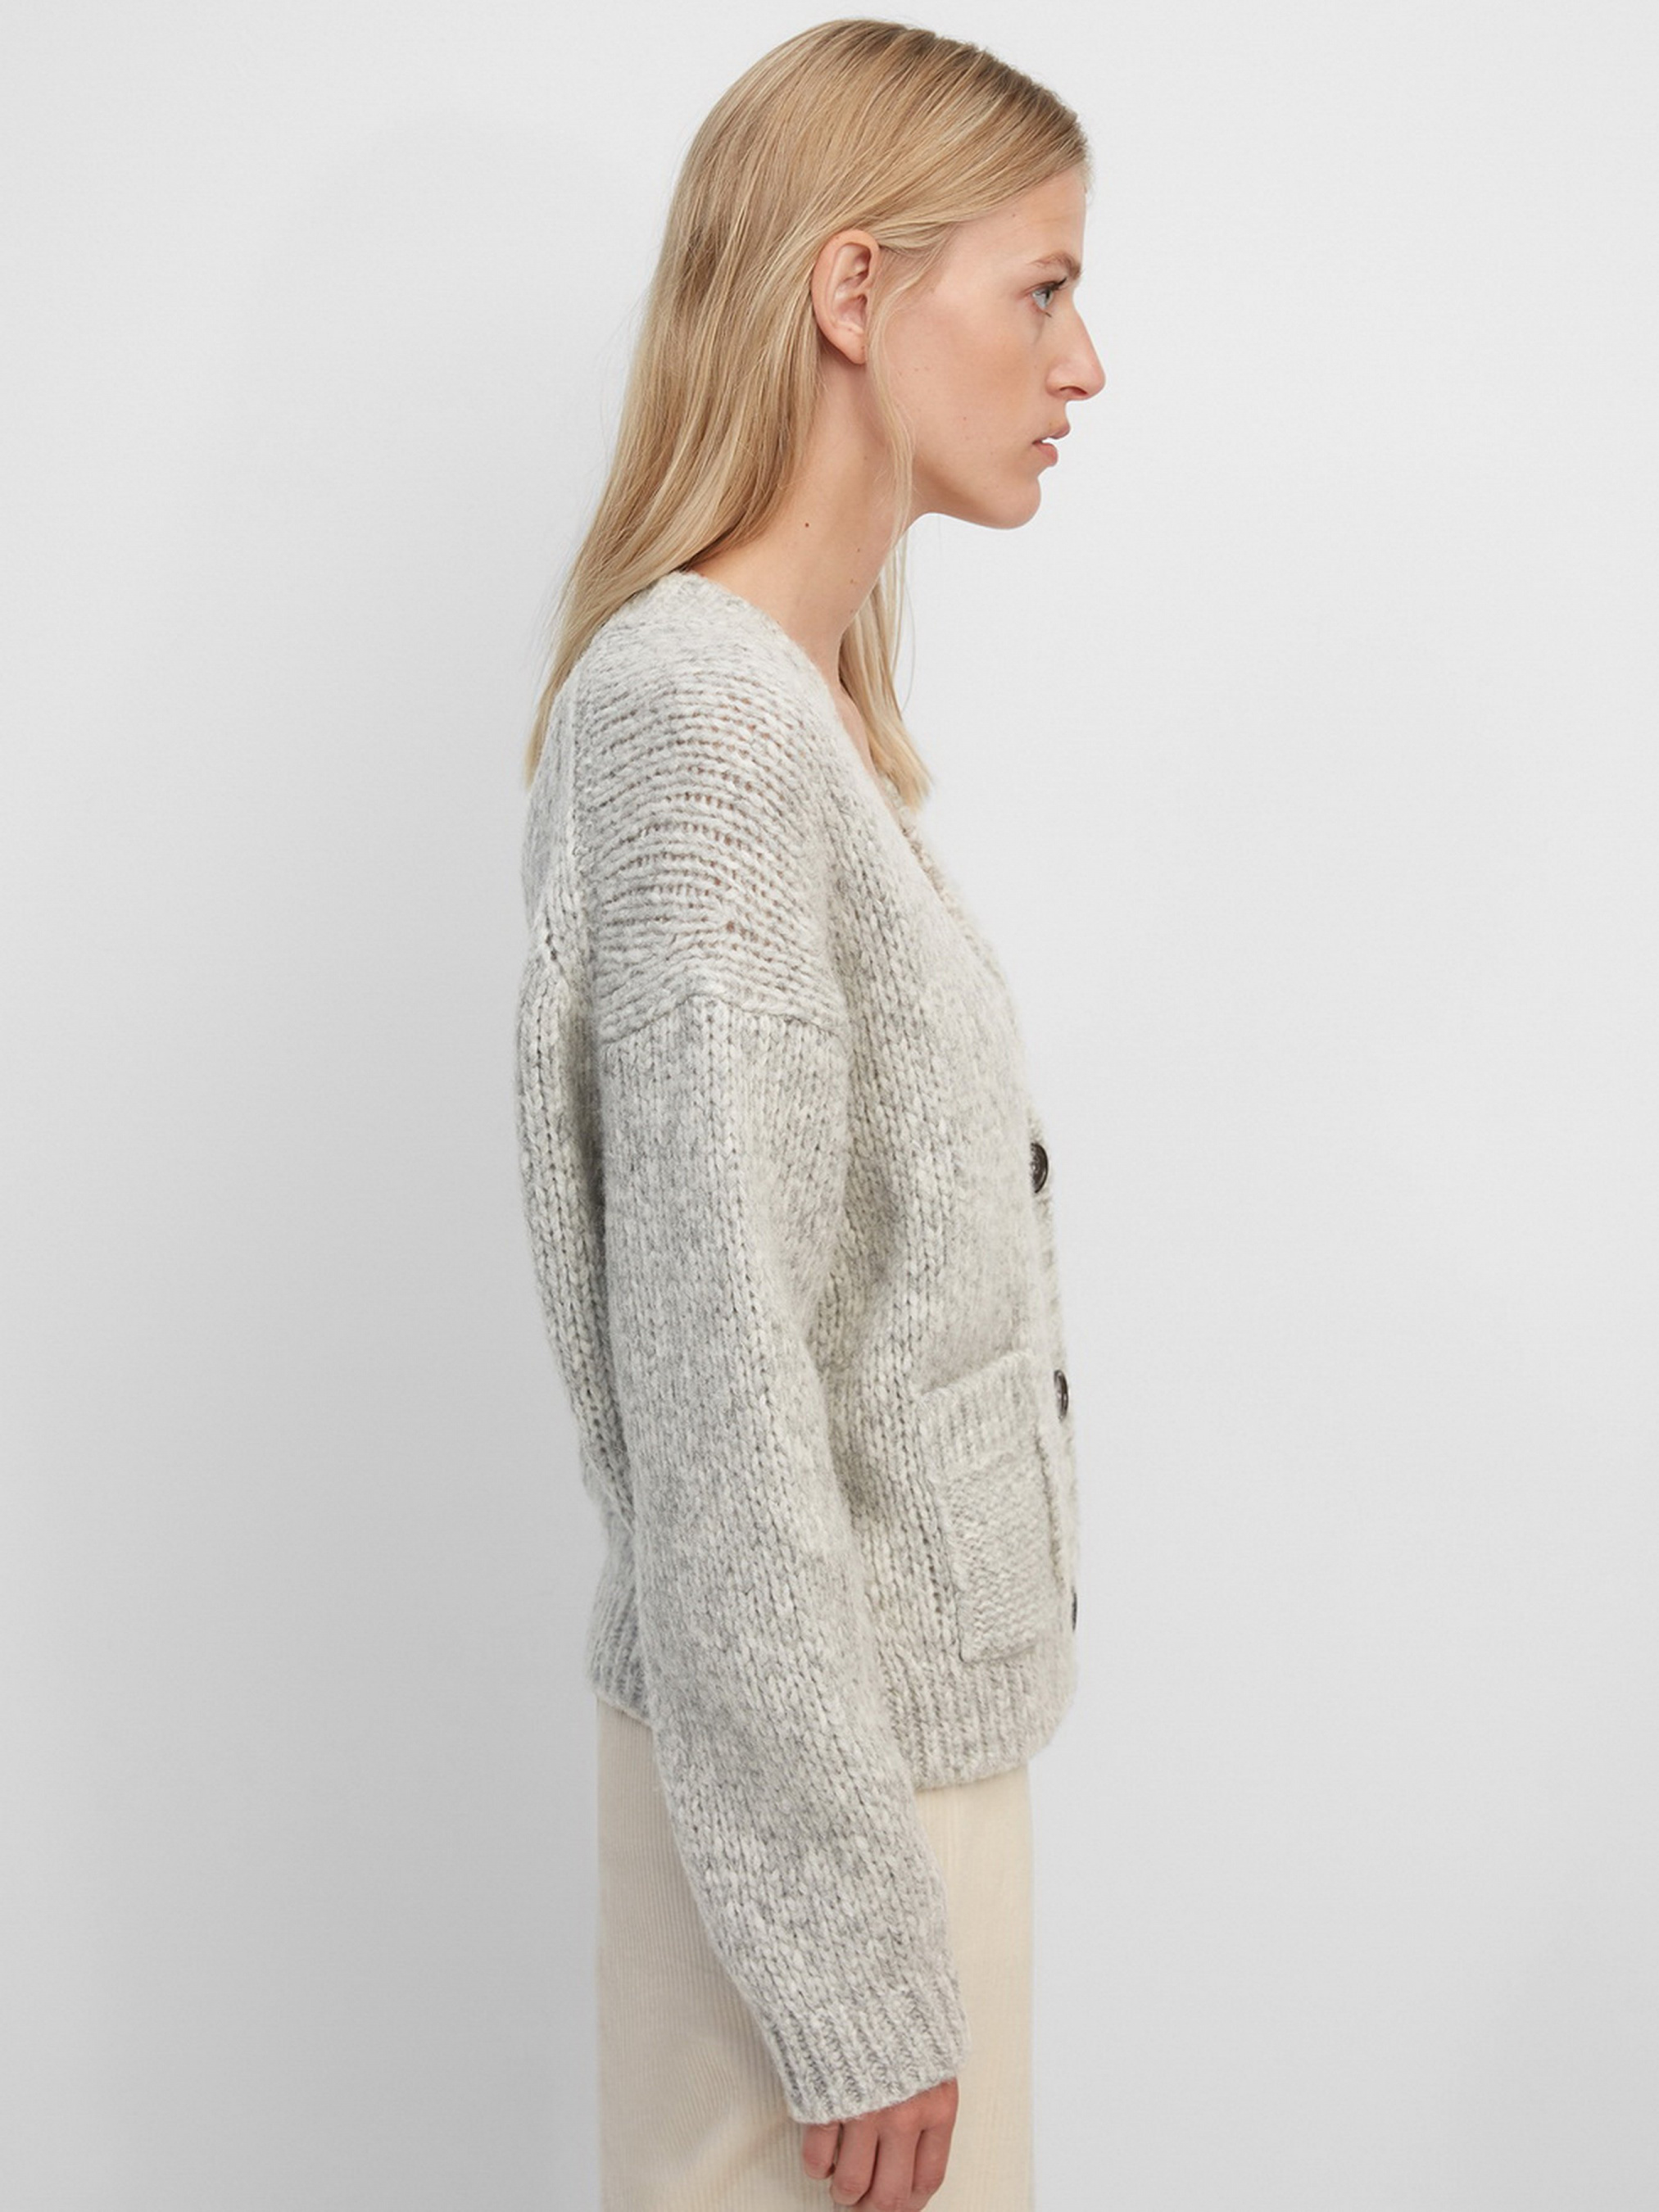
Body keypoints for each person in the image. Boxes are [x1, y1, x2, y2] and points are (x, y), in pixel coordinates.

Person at [514, 19, 1104, 2207]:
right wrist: (847, 1959)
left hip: (879, 1787)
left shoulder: (793, 710)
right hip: (827, 1841)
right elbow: (719, 1380)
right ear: (854, 291)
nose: (1082, 363)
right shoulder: (702, 723)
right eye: (1040, 288)